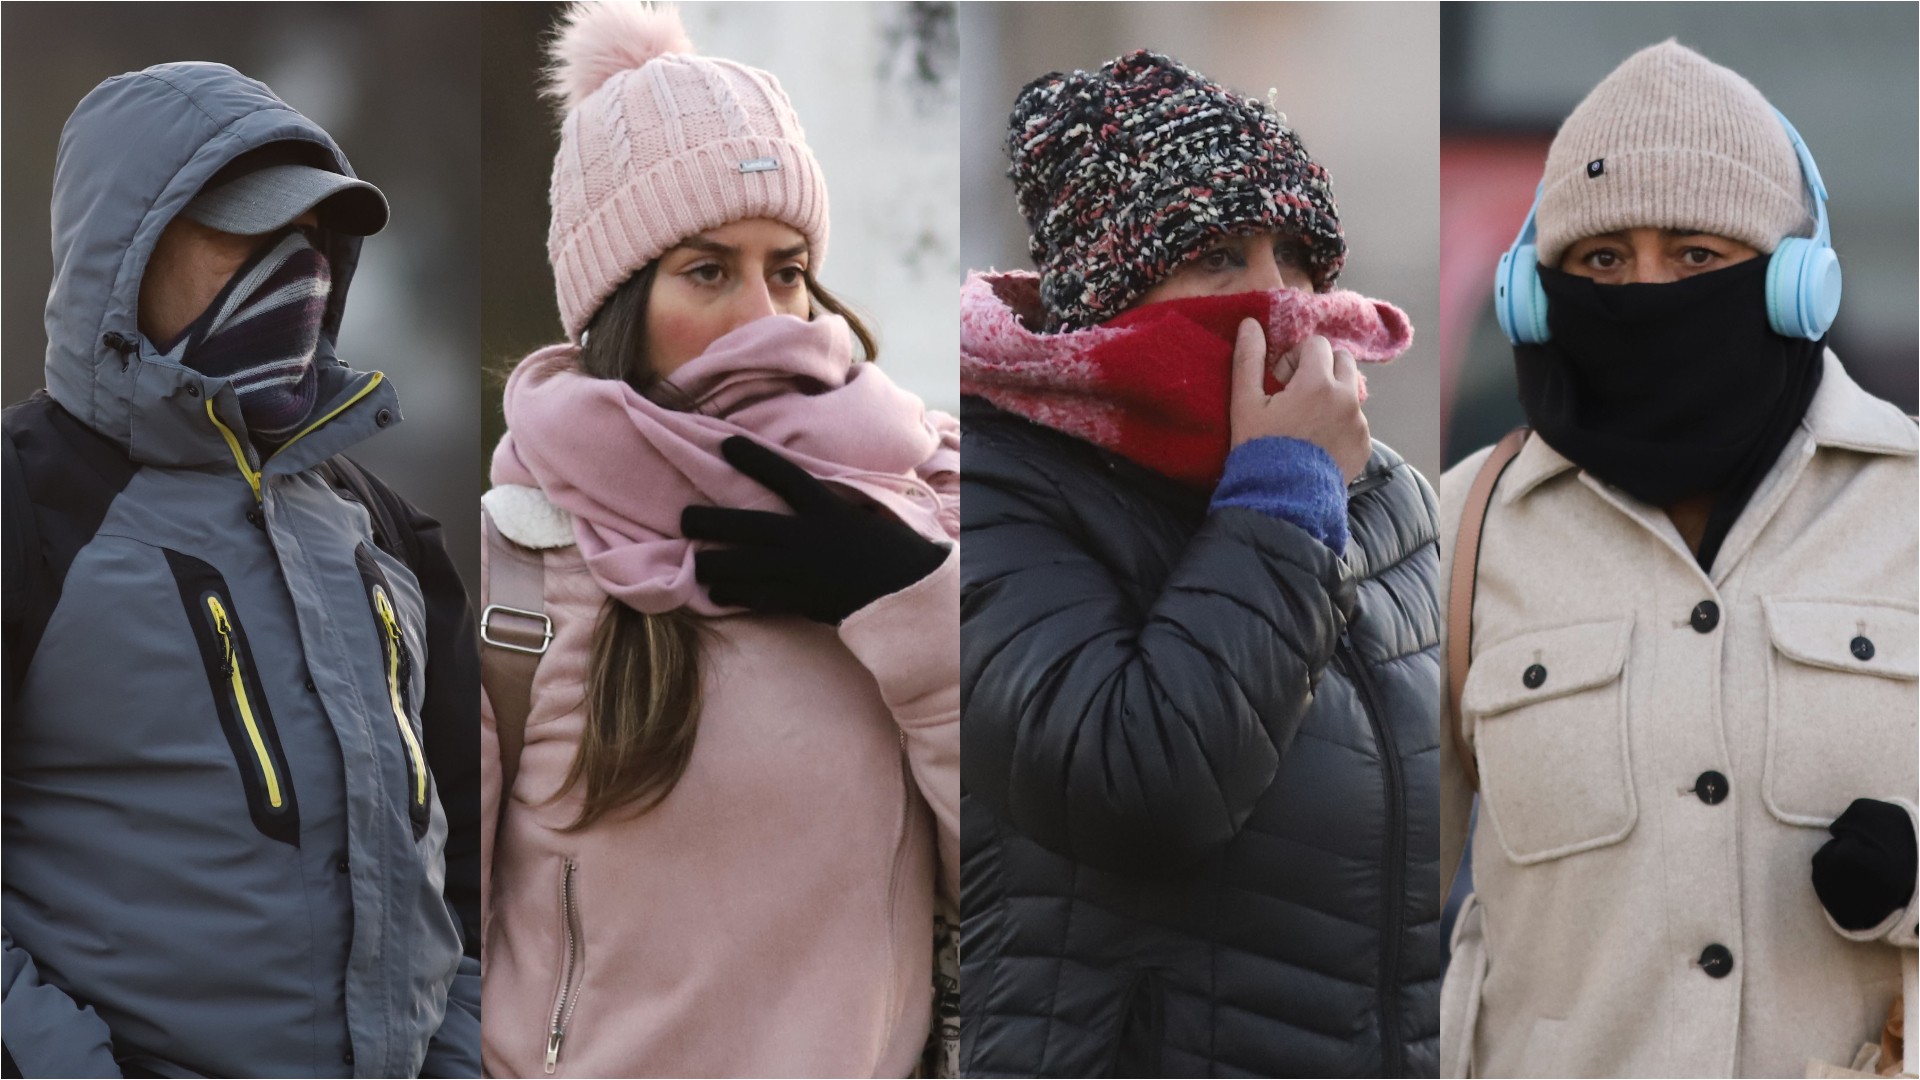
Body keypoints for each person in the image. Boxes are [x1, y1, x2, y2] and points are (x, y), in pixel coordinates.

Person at [476, 5, 960, 1077]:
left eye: (785, 269)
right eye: (707, 271)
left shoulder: (923, 504)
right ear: (617, 304)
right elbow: (420, 934)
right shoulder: (516, 550)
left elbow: (1036, 883)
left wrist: (916, 607)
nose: (764, 315)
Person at [1438, 41, 1917, 1079]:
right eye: (1602, 261)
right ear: (1537, 294)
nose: (1645, 290)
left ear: (1797, 284)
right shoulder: (1465, 525)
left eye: (1697, 255)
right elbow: (1370, 905)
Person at [957, 50, 1441, 1077]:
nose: (1281, 300)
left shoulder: (1387, 498)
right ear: (1114, 288)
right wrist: (1281, 484)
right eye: (1220, 256)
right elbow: (1141, 781)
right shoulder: (999, 486)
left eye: (1300, 258)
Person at [1, 63, 481, 1077]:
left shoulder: (388, 533)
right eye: (244, 238)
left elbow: (467, 891)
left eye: (309, 241)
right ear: (122, 257)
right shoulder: (26, 505)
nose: (293, 271)